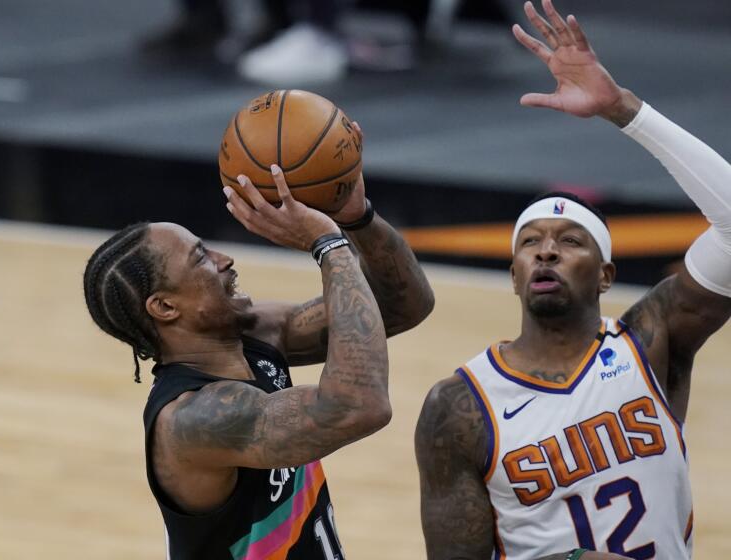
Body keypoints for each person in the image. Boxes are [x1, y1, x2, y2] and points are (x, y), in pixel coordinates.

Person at [415, 1, 731, 559]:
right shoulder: (460, 406)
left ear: (606, 274)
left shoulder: (651, 344)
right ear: (514, 274)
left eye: (570, 241)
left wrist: (625, 110)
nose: (547, 252)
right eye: (530, 242)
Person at [83, 149, 434, 557]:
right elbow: (360, 406)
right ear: (165, 307)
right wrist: (328, 244)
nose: (225, 259)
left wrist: (358, 218)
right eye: (201, 258)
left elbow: (403, 305)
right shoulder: (194, 420)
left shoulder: (256, 331)